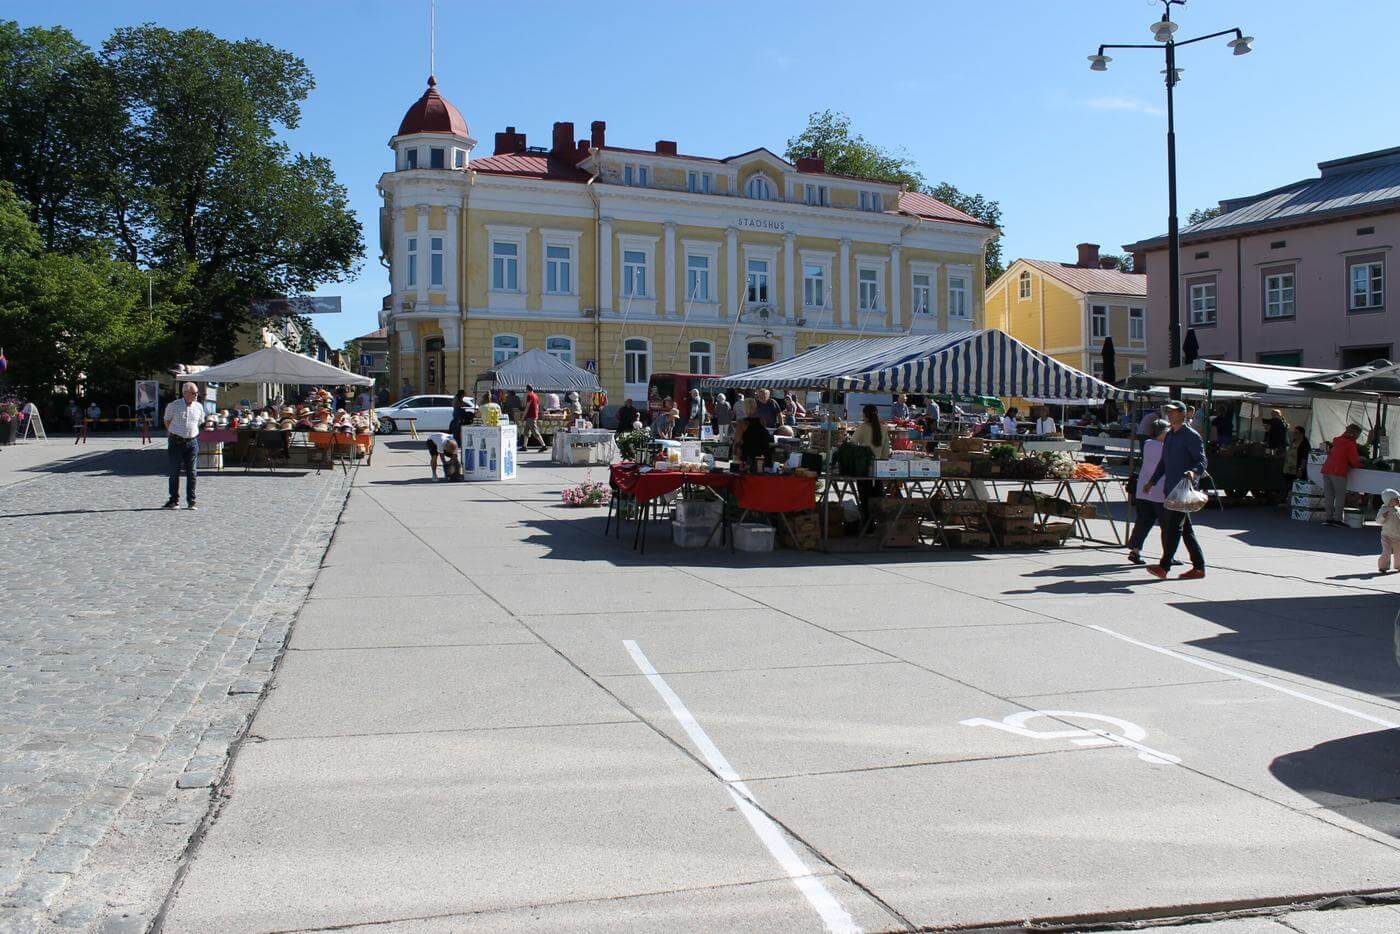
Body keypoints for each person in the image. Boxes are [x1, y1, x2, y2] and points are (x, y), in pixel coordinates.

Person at [1143, 401, 1207, 579]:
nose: (1169, 414)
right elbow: (1164, 462)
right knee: (1186, 530)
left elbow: (1202, 461)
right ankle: (1199, 567)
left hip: (1183, 490)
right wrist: (1152, 481)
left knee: (1173, 528)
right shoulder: (1170, 434)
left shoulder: (1191, 436)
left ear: (1183, 413)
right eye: (1168, 411)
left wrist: (1193, 473)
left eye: (1172, 411)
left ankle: (1164, 567)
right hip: (1170, 489)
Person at [1127, 419, 1170, 564]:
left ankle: (1135, 550)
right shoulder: (1166, 447)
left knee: (1143, 522)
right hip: (1159, 491)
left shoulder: (1147, 444)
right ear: (1163, 432)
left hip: (1143, 490)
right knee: (1167, 525)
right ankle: (1168, 555)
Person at [163, 382, 203, 510]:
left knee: (192, 472)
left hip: (192, 442)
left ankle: (192, 501)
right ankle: (174, 500)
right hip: (176, 441)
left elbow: (200, 421)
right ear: (185, 393)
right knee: (174, 472)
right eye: (193, 393)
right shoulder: (173, 406)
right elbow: (167, 420)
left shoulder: (199, 407)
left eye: (197, 393)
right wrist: (175, 433)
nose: (196, 395)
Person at [851, 404, 891, 522]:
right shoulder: (883, 429)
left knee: (864, 497)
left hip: (864, 468)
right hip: (878, 468)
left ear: (865, 415)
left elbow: (852, 444)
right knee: (878, 498)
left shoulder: (862, 428)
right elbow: (886, 451)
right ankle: (880, 524)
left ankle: (868, 525)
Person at [1320, 423, 1363, 526]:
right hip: (1338, 471)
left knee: (1329, 495)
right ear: (1355, 433)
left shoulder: (1337, 440)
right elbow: (1353, 460)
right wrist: (1360, 465)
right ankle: (1337, 519)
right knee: (1340, 496)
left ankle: (1328, 518)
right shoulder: (1350, 443)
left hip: (1326, 469)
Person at [733, 398, 773, 470]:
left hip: (748, 456)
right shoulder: (762, 421)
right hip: (762, 455)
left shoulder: (742, 422)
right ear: (756, 407)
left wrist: (736, 456)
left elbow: (737, 442)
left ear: (744, 408)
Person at [1378, 489, 1400, 574]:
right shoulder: (1384, 510)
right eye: (1396, 499)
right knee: (1386, 552)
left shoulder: (1398, 510)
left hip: (1397, 536)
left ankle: (1398, 566)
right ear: (1389, 500)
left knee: (1398, 552)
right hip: (1386, 536)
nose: (1398, 500)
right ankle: (1383, 566)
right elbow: (1378, 521)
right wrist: (1383, 517)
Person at [519, 384, 546, 452]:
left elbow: (527, 407)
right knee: (526, 431)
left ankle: (543, 445)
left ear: (527, 389)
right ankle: (524, 446)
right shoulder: (535, 395)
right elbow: (537, 406)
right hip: (532, 415)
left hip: (531, 416)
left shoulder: (529, 396)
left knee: (534, 431)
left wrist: (523, 416)